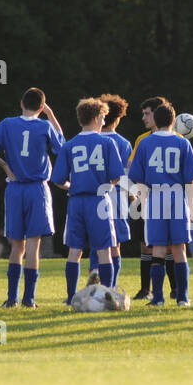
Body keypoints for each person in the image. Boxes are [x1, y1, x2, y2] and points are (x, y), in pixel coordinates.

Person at [0, 87, 66, 308]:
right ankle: (29, 299)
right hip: (37, 189)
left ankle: (11, 299)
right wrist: (51, 115)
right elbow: (62, 148)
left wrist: (5, 166)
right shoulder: (45, 125)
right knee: (34, 246)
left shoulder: (8, 124)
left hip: (15, 188)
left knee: (17, 246)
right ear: (41, 106)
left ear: (21, 103)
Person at [50, 98, 126, 304]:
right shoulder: (107, 142)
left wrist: (71, 187)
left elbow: (57, 180)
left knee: (74, 251)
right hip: (99, 201)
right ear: (94, 118)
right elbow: (117, 175)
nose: (104, 122)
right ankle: (107, 295)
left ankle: (70, 297)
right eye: (102, 118)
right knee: (104, 251)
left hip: (76, 202)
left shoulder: (70, 145)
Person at [128, 103, 193, 306]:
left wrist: (142, 201)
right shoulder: (182, 143)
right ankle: (183, 297)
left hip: (155, 197)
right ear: (173, 120)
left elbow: (137, 179)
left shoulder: (145, 143)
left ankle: (158, 297)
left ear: (156, 121)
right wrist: (191, 206)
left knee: (158, 248)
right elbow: (190, 179)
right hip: (177, 196)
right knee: (179, 249)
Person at [130, 96, 170, 300]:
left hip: (170, 199)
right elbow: (133, 168)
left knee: (171, 244)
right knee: (145, 243)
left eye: (147, 113)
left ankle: (176, 289)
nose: (144, 117)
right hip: (145, 197)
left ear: (158, 113)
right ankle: (146, 289)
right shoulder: (142, 140)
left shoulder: (177, 137)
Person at [97, 93, 133, 284]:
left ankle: (94, 283)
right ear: (118, 118)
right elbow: (126, 176)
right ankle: (111, 285)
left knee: (98, 244)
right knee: (115, 244)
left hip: (94, 197)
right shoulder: (124, 143)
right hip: (117, 197)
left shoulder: (90, 139)